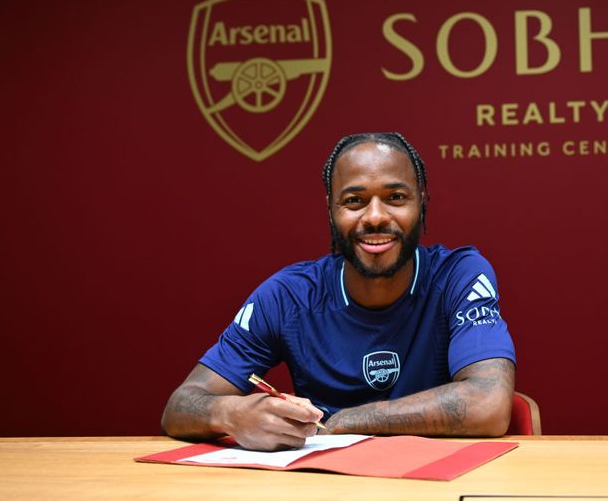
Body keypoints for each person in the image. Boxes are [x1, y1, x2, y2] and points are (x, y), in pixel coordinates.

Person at [161, 132, 516, 451]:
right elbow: (180, 406)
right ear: (330, 210)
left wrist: (342, 422)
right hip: (326, 485)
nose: (375, 216)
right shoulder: (289, 295)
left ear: (421, 202)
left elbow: (489, 403)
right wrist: (231, 412)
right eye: (354, 201)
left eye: (395, 197)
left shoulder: (459, 275)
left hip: (439, 482)